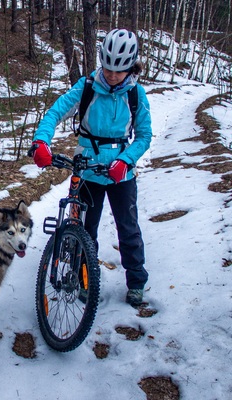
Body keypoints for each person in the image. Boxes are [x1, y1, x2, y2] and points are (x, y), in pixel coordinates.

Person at [30, 28, 152, 307]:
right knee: (86, 229)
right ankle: (83, 277)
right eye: (108, 68)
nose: (111, 75)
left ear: (131, 68)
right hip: (87, 170)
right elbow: (55, 112)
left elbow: (144, 136)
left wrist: (127, 160)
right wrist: (41, 141)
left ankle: (136, 281)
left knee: (128, 228)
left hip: (122, 173)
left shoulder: (136, 95)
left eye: (119, 71)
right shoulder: (87, 87)